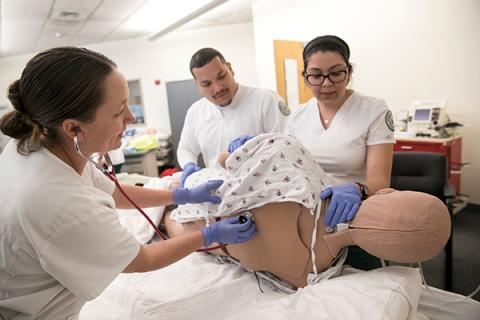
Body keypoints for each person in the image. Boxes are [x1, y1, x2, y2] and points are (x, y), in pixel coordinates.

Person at [0, 47, 257, 319]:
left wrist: (183, 195)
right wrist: (209, 236)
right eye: (119, 111)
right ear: (73, 128)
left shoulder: (38, 144)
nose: (131, 119)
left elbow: (114, 191)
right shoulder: (57, 200)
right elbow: (140, 259)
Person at [286, 35, 395, 270]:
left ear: (349, 71)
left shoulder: (373, 110)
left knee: (367, 285)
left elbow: (380, 180)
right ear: (305, 77)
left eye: (336, 73)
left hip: (357, 218)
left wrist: (357, 188)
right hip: (308, 222)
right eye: (316, 75)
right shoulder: (297, 117)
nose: (326, 83)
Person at [177, 47, 290, 187]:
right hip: (219, 193)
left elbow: (287, 146)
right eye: (207, 84)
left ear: (230, 69)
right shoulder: (196, 112)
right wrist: (189, 165)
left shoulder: (266, 100)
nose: (218, 88)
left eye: (221, 76)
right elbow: (186, 148)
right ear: (197, 85)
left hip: (264, 189)